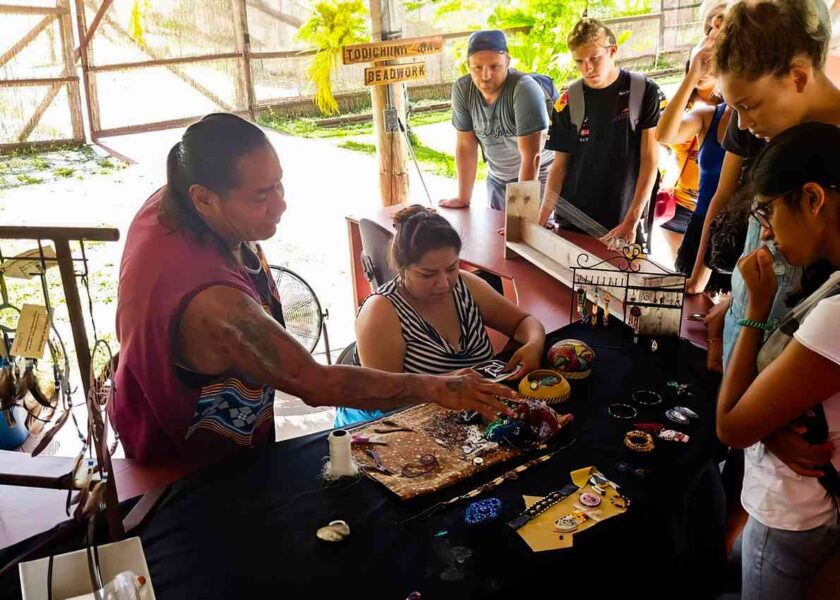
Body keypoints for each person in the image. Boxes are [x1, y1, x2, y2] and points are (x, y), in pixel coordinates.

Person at [112, 114, 516, 465]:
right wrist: (435, 386)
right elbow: (313, 382)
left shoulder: (177, 196)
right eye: (261, 196)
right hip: (190, 462)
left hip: (208, 422)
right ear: (204, 199)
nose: (281, 206)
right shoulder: (215, 304)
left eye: (279, 186)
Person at [716, 122, 840, 600]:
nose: (765, 235)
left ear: (812, 200)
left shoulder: (834, 316)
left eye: (766, 215)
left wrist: (755, 312)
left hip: (793, 510)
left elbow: (731, 426)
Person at [704, 0, 840, 370]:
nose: (744, 124)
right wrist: (736, 301)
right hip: (749, 329)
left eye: (750, 106)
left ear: (798, 76)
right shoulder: (769, 126)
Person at [336, 205, 546, 427]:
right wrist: (437, 386)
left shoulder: (467, 287)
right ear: (402, 268)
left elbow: (524, 322)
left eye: (451, 268)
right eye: (428, 274)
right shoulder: (382, 311)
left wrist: (534, 344)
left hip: (468, 419)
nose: (444, 283)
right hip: (402, 427)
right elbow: (384, 398)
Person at [537, 17, 665, 248]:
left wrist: (632, 219)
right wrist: (540, 220)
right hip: (573, 219)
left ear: (612, 51)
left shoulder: (644, 91)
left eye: (595, 58)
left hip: (623, 218)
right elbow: (559, 166)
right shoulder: (568, 101)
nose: (588, 68)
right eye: (579, 62)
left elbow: (650, 160)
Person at [440, 29, 553, 210]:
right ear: (468, 65)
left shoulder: (524, 90)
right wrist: (463, 198)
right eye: (477, 67)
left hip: (538, 176)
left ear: (507, 61)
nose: (485, 75)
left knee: (524, 233)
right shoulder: (463, 89)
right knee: (496, 234)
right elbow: (466, 146)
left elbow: (532, 157)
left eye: (494, 66)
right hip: (498, 177)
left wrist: (520, 214)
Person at [656, 10, 730, 277]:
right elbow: (664, 134)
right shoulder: (706, 115)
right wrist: (691, 76)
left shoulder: (751, 119)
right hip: (697, 218)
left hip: (733, 230)